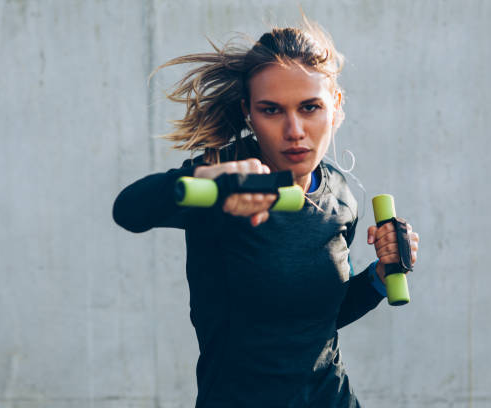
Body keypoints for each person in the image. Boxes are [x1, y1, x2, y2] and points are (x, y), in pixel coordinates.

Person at [113, 17, 420, 408]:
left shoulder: (341, 196)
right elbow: (128, 209)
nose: (294, 130)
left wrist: (380, 275)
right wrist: (209, 180)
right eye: (272, 110)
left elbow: (317, 321)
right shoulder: (222, 181)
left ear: (335, 107)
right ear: (248, 113)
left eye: (310, 107)